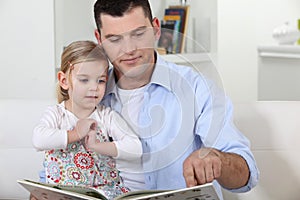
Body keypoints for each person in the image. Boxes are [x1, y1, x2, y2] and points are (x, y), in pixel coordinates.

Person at [92, 0, 259, 199]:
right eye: (114, 39)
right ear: (99, 39)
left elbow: (246, 175)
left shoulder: (197, 88)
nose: (128, 49)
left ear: (156, 29)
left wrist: (218, 161)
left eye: (138, 34)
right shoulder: (90, 96)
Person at [31, 40, 143, 198]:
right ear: (64, 81)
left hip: (102, 193)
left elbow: (136, 148)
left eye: (101, 80)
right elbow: (38, 139)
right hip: (62, 193)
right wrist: (75, 134)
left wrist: (97, 146)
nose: (94, 87)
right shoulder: (56, 114)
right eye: (84, 80)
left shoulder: (106, 116)